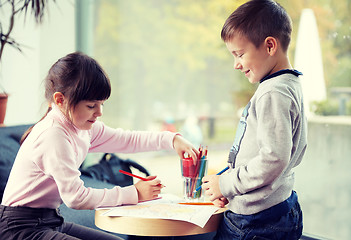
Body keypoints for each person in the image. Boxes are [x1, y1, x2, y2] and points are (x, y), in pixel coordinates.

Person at [0, 52, 199, 240]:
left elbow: (127, 140)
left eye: (102, 104)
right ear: (60, 100)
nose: (99, 112)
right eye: (91, 106)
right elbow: (76, 197)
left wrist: (171, 139)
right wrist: (134, 193)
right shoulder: (54, 135)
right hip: (20, 228)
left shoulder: (81, 127)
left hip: (50, 220)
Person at [201, 1, 307, 239]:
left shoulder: (272, 92)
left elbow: (273, 159)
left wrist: (227, 185)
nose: (236, 64)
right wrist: (225, 183)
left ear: (270, 45)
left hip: (254, 222)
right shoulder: (290, 84)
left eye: (239, 54)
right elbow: (285, 153)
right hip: (279, 208)